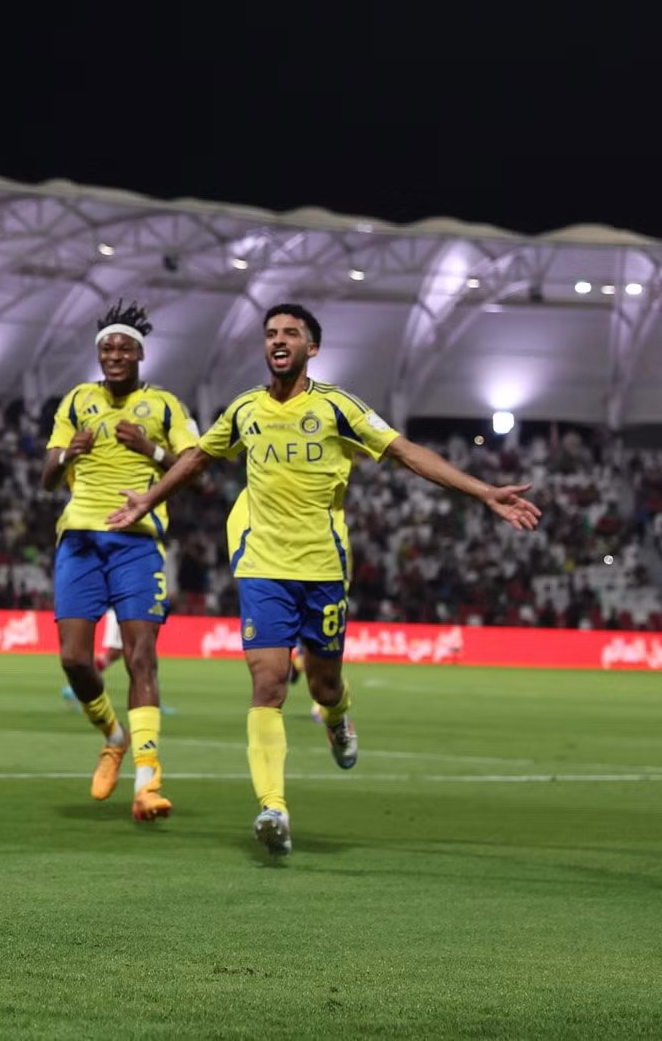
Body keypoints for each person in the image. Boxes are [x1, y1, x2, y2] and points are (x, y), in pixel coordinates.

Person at [110, 302, 541, 856]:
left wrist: (483, 492)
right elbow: (197, 459)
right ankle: (273, 808)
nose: (278, 340)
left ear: (312, 348)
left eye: (291, 333)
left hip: (323, 569)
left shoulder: (338, 407)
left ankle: (337, 717)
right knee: (267, 685)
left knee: (323, 685)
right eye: (270, 333)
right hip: (263, 566)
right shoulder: (244, 409)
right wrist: (149, 495)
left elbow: (405, 452)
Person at [41, 300, 198, 822]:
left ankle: (148, 780)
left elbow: (195, 466)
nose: (114, 354)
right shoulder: (77, 403)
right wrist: (70, 454)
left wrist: (153, 452)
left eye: (124, 347)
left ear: (140, 354)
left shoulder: (166, 407)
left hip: (137, 542)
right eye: (107, 346)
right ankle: (113, 735)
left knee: (140, 658)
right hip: (80, 540)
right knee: (74, 660)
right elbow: (46, 475)